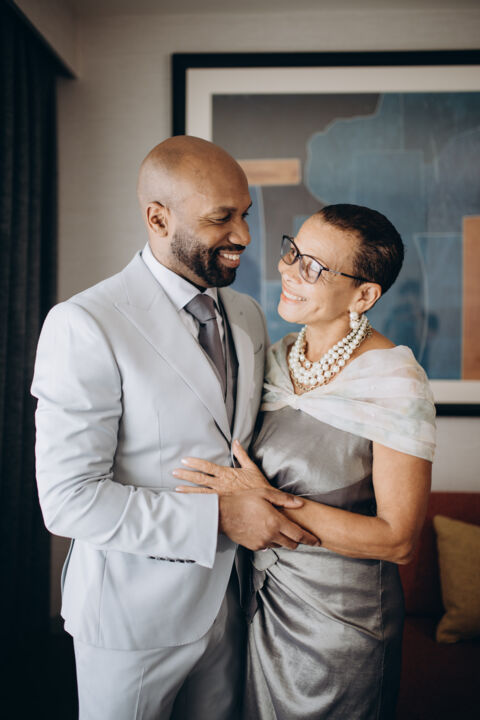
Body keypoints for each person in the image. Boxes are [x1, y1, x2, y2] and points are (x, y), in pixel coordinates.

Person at [31, 136, 319, 720]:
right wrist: (220, 517)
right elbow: (68, 500)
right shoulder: (85, 324)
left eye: (245, 214)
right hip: (132, 619)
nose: (243, 235)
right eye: (221, 218)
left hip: (235, 607)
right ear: (158, 219)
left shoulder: (246, 314)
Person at [173, 204, 436, 720]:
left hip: (341, 623)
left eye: (314, 267)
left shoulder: (395, 382)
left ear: (364, 296)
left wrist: (266, 502)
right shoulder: (273, 358)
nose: (289, 271)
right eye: (293, 251)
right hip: (258, 606)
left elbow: (399, 540)